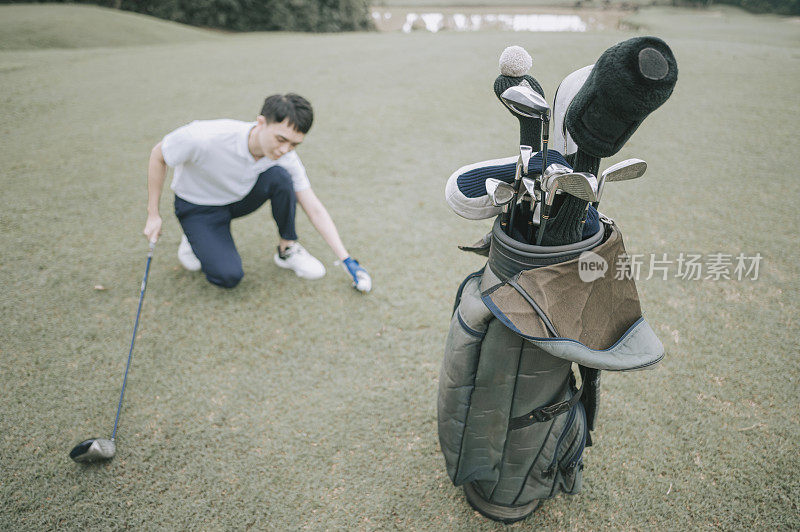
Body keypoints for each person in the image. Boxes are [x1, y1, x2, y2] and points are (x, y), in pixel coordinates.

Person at [142, 93, 371, 292]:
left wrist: (347, 259)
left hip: (237, 199)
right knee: (228, 276)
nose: (285, 150)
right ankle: (194, 238)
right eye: (281, 139)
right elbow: (158, 155)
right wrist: (153, 214)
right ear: (261, 123)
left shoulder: (285, 156)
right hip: (198, 207)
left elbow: (314, 208)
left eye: (294, 144)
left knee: (281, 177)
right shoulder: (205, 137)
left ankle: (287, 250)